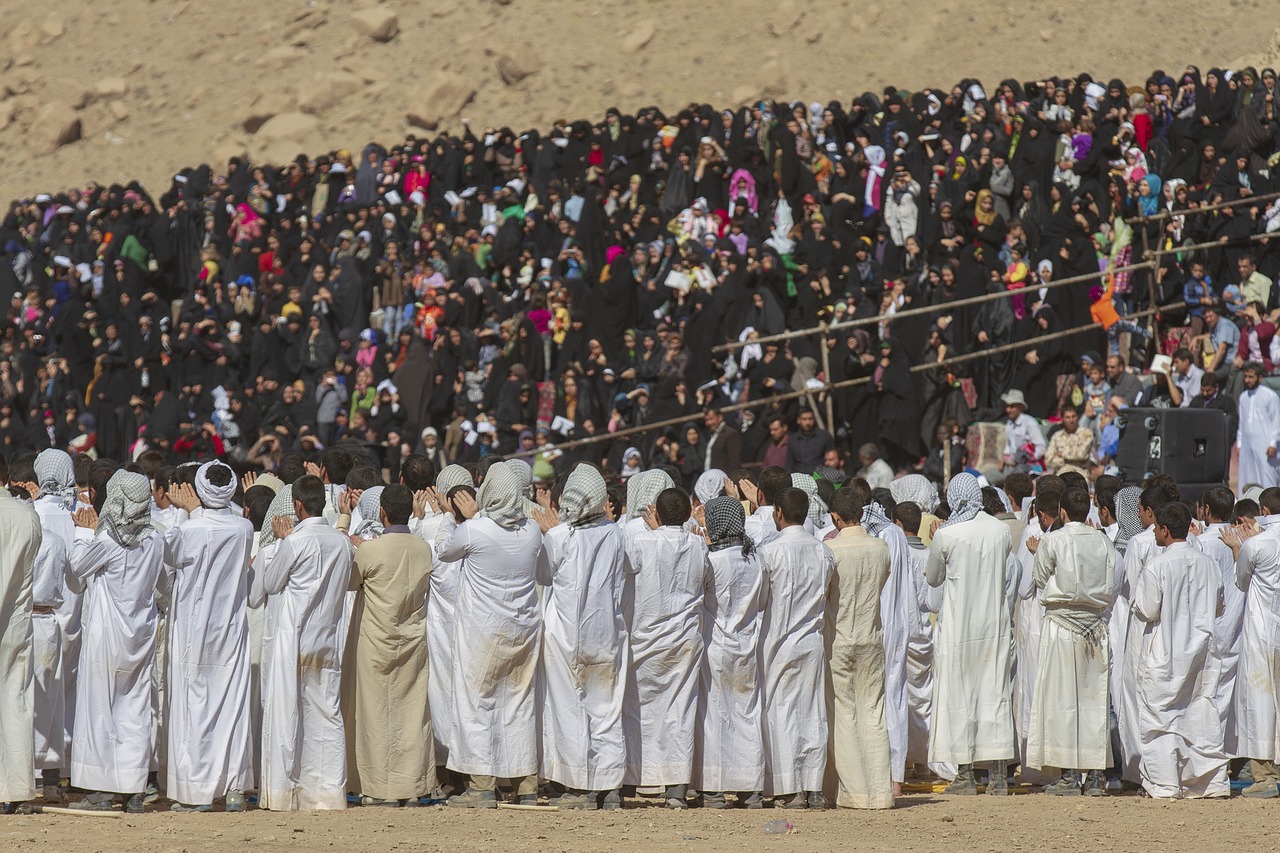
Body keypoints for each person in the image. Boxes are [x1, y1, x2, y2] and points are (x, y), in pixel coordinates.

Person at [439, 463, 543, 808]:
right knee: (519, 702)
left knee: (476, 702)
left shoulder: (475, 529)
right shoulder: (532, 530)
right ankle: (526, 784)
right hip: (523, 630)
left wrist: (462, 517)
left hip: (482, 632)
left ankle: (481, 785)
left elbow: (444, 551)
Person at [249, 474, 354, 811]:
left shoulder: (293, 542)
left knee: (285, 715)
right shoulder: (341, 542)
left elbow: (272, 583)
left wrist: (280, 543)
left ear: (296, 506)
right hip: (325, 638)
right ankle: (326, 793)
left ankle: (281, 794)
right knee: (325, 713)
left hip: (291, 638)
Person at [68, 471, 164, 814]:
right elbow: (162, 585)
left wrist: (82, 532)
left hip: (106, 635)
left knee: (99, 710)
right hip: (140, 635)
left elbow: (77, 568)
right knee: (135, 709)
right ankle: (133, 788)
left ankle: (100, 790)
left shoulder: (108, 540)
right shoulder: (156, 540)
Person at [160, 462, 254, 812]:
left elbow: (168, 556)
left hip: (193, 630)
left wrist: (188, 512)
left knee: (192, 705)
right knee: (231, 705)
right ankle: (233, 789)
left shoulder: (189, 529)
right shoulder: (244, 528)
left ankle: (195, 793)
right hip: (229, 630)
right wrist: (196, 510)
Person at [534, 464, 628, 810]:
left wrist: (550, 533)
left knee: (571, 708)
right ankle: (610, 787)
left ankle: (580, 789)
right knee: (606, 707)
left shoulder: (560, 536)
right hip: (607, 633)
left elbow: (543, 575)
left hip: (567, 637)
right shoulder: (616, 533)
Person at [925, 473, 1016, 795]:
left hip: (958, 629)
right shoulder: (1000, 530)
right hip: (993, 627)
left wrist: (938, 537)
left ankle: (964, 776)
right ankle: (999, 777)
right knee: (995, 697)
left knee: (959, 698)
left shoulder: (948, 535)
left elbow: (933, 578)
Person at [345, 484, 436, 806]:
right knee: (412, 713)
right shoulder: (423, 548)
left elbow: (350, 583)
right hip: (412, 638)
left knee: (374, 713)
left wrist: (355, 545)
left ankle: (378, 788)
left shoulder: (371, 550)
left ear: (382, 512)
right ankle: (412, 788)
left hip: (375, 640)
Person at [1132, 502, 1229, 799]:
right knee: (1202, 713)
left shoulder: (1157, 565)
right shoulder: (1207, 563)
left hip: (1166, 650)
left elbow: (1147, 610)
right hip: (1202, 652)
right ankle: (1210, 783)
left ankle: (1165, 784)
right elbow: (1218, 605)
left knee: (1159, 721)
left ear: (1162, 529)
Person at [1025, 487, 1116, 795]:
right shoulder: (1103, 541)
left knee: (1061, 700)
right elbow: (1114, 580)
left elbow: (1039, 579)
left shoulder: (1053, 541)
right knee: (1092, 702)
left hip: (1061, 627)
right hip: (1093, 626)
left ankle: (1067, 777)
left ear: (1062, 512)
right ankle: (1092, 777)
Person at [623, 487, 707, 809]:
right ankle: (676, 789)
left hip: (644, 640)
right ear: (688, 515)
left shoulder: (640, 542)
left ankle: (631, 782)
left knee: (636, 709)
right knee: (679, 711)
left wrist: (658, 535)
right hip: (684, 640)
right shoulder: (699, 545)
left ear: (655, 514)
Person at [758, 487, 834, 808]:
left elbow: (760, 600)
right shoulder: (823, 551)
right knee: (812, 711)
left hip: (779, 644)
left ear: (778, 512)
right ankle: (813, 787)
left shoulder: (769, 552)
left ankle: (789, 789)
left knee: (781, 712)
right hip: (812, 642)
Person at [824, 487, 893, 809]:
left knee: (845, 713)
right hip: (871, 637)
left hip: (839, 639)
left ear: (835, 517)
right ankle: (880, 793)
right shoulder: (881, 547)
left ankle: (854, 792)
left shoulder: (832, 549)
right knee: (873, 712)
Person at [697, 495, 766, 809]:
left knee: (714, 715)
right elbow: (762, 600)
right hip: (748, 645)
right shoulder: (756, 557)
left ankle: (713, 788)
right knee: (746, 713)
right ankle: (750, 788)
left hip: (717, 645)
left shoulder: (711, 560)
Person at [1224, 494, 1280, 798]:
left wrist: (1237, 547)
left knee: (1259, 700)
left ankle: (1264, 776)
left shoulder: (1256, 545)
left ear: (1265, 511)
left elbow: (1242, 581)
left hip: (1261, 631)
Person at [0, 455, 43, 812]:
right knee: (14, 701)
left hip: (14, 617)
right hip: (14, 621)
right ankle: (17, 788)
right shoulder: (28, 515)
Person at [1237, 362, 1280, 490]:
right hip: (1247, 445)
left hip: (1265, 445)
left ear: (1260, 378)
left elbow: (1276, 420)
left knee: (1267, 478)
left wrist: (1273, 443)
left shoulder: (1270, 396)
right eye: (1246, 377)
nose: (1247, 380)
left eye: (1251, 377)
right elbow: (1242, 422)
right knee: (1247, 477)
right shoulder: (1243, 396)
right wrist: (1239, 444)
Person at [1000, 389, 1045, 473]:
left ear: (1020, 407)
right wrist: (1005, 459)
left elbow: (1041, 446)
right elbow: (1009, 446)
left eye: (1012, 406)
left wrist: (1030, 459)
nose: (1008, 410)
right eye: (1007, 406)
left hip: (1029, 466)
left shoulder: (1030, 423)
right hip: (1013, 464)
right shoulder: (1009, 424)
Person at [1043, 407, 1094, 478]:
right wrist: (1065, 460)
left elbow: (1081, 454)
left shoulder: (1086, 433)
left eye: (1073, 416)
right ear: (1062, 419)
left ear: (1077, 417)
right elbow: (1048, 459)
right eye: (1068, 417)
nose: (1071, 420)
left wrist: (1061, 453)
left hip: (1080, 476)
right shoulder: (1057, 436)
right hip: (1060, 475)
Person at [785, 410, 833, 475]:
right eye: (804, 419)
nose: (808, 422)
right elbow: (789, 463)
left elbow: (832, 459)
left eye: (810, 419)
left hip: (820, 477)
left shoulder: (824, 436)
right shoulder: (793, 439)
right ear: (799, 420)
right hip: (799, 478)